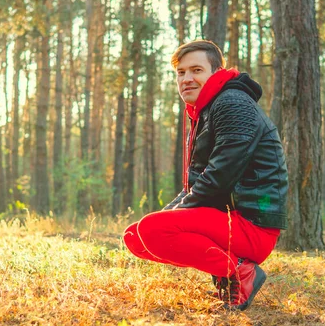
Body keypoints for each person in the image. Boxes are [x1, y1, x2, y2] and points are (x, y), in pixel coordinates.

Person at [123, 40, 288, 311]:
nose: (187, 79)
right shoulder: (207, 110)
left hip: (251, 224)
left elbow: (220, 175)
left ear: (216, 71)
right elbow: (200, 182)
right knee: (136, 236)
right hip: (226, 220)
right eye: (181, 72)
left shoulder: (232, 103)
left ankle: (239, 271)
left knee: (152, 230)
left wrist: (169, 218)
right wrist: (170, 211)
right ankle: (228, 274)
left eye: (196, 70)